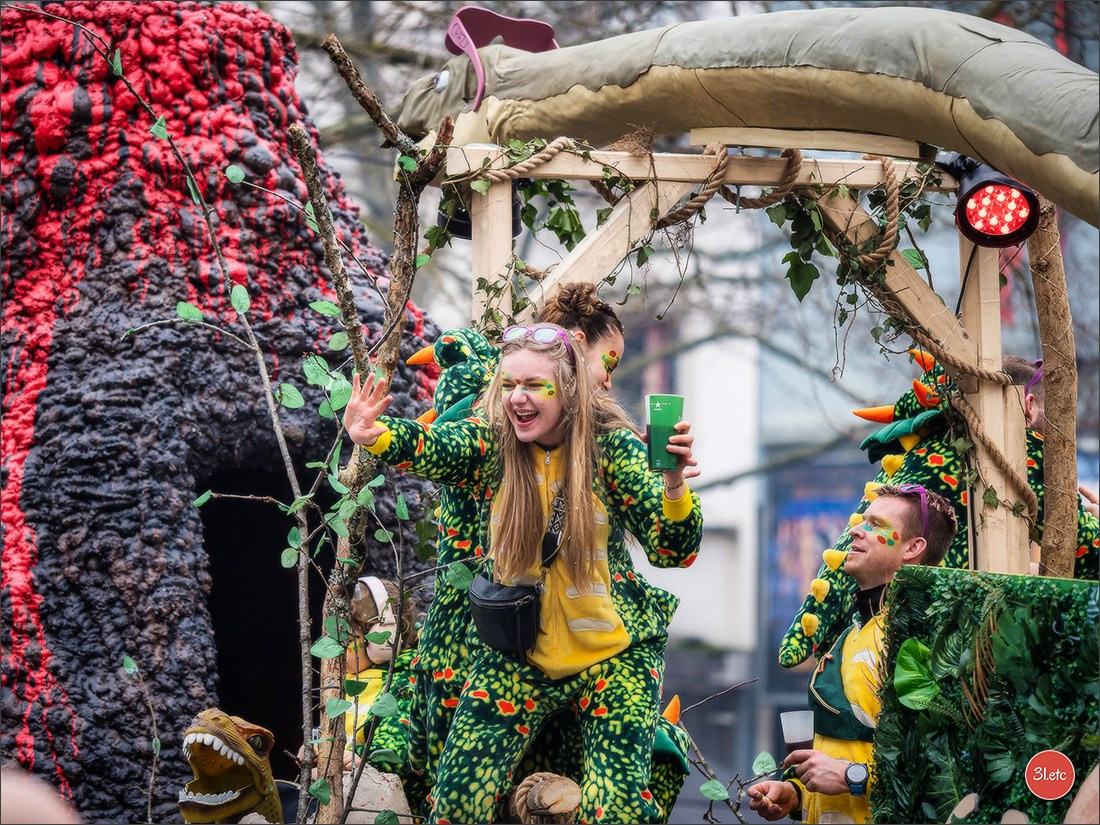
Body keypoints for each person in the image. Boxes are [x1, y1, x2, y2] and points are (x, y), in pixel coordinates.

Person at [344, 322, 702, 823]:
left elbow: (674, 552)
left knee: (616, 809)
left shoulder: (612, 449)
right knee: (456, 803)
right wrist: (377, 434)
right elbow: (438, 447)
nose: (517, 398)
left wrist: (672, 483)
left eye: (534, 385)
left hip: (615, 657)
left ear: (570, 390)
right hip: (519, 651)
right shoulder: (493, 442)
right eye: (509, 384)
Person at [749, 483, 957, 824]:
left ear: (913, 547)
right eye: (862, 521)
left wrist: (852, 777)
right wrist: (797, 793)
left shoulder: (922, 635)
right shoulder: (851, 632)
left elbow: (944, 765)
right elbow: (841, 758)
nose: (855, 530)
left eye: (875, 525)